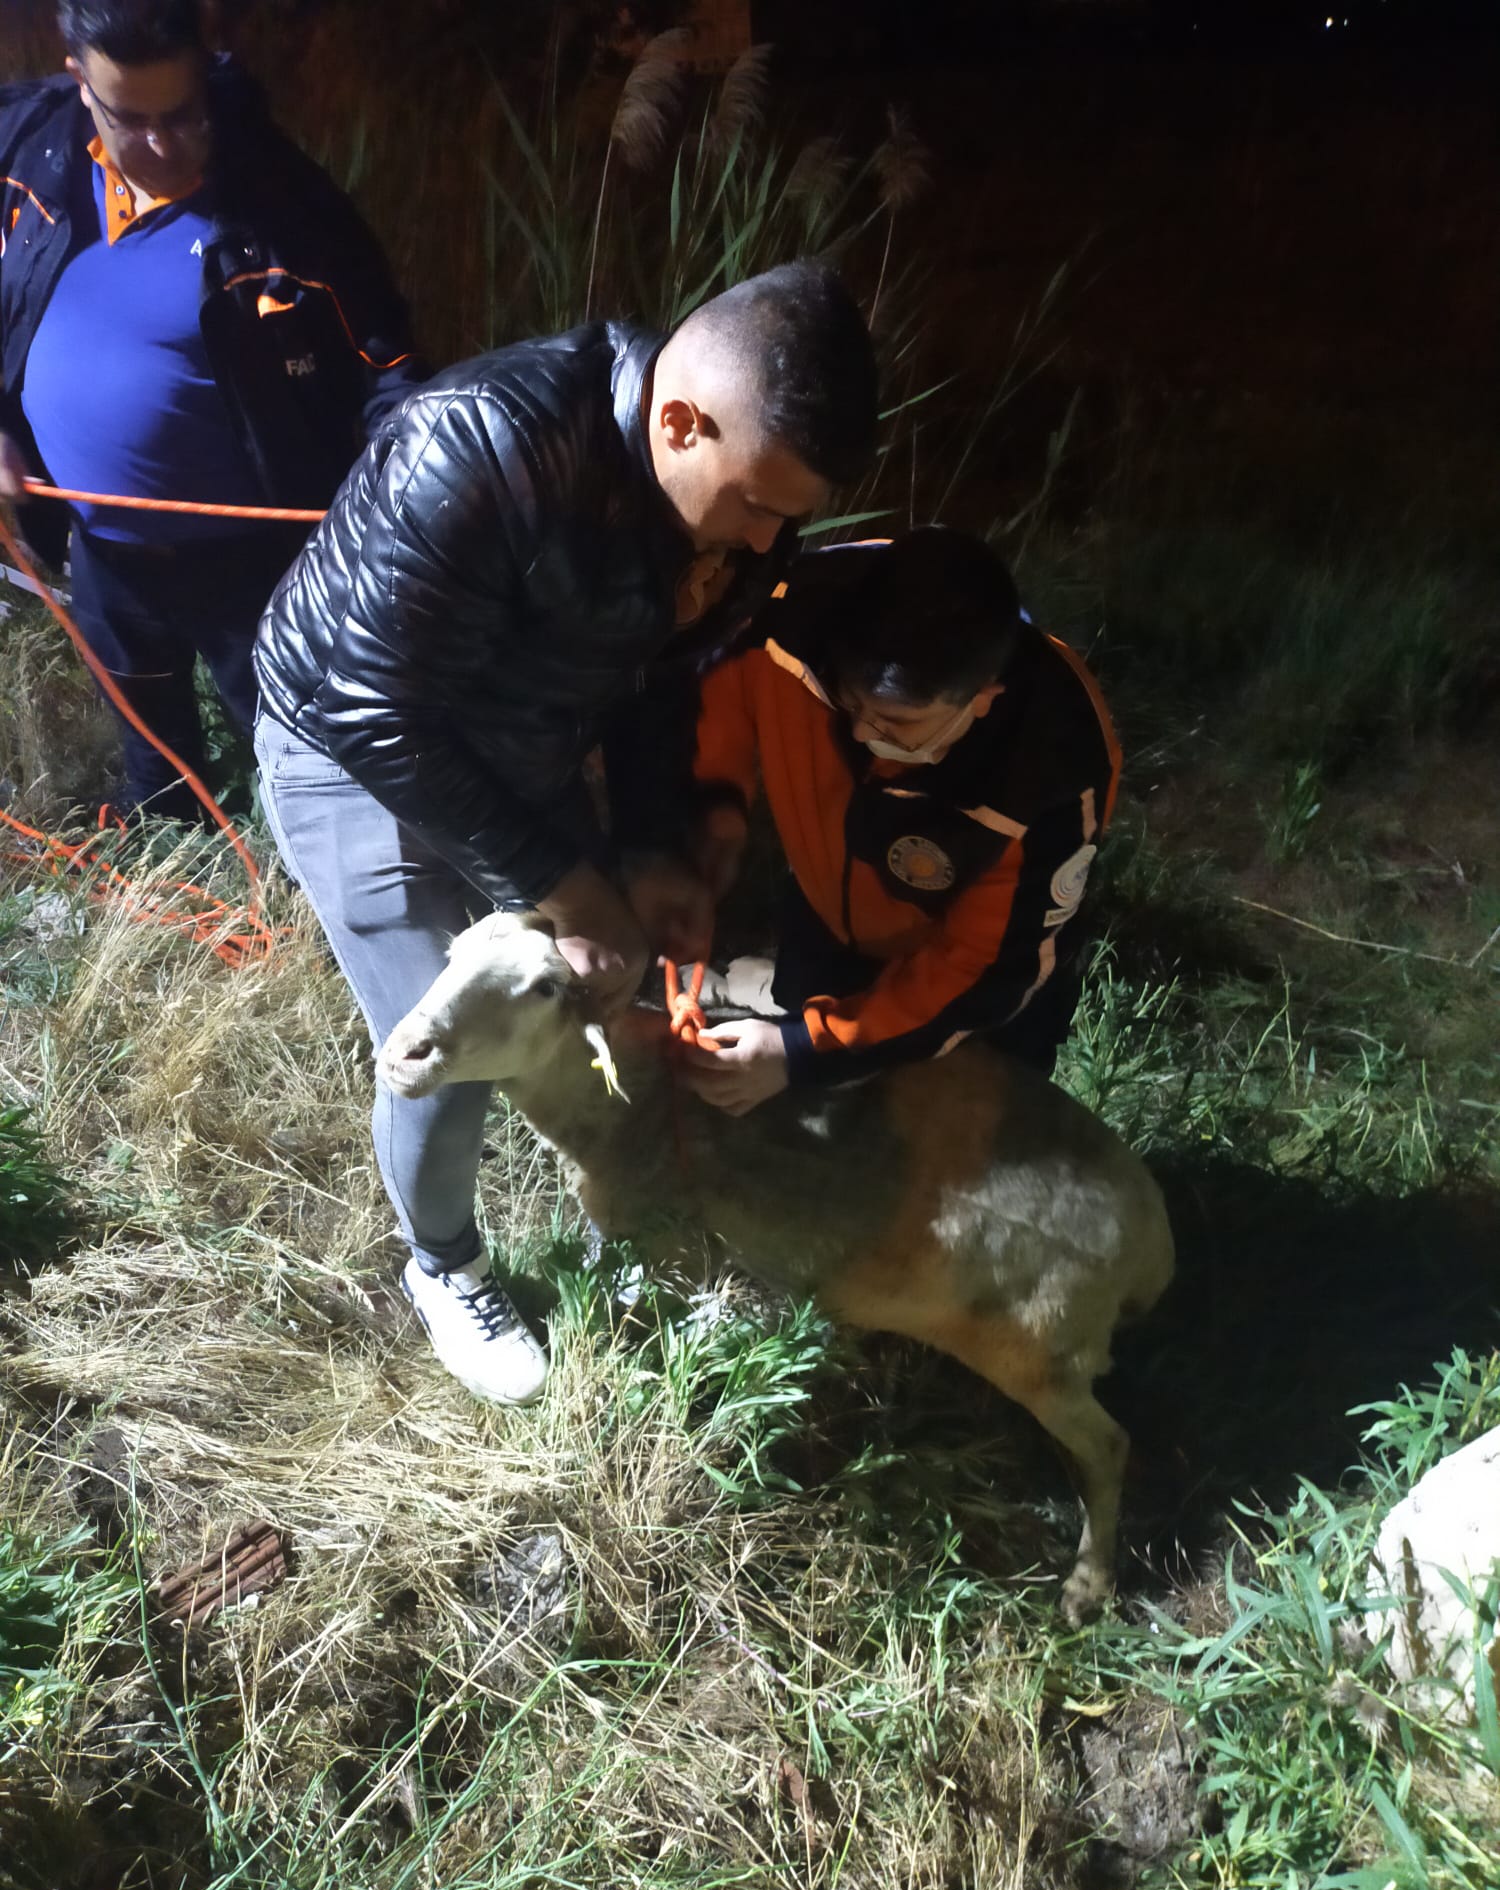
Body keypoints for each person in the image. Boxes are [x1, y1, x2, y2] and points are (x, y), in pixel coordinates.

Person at [252, 259, 880, 1408]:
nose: (767, 541)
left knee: (585, 975)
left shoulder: (740, 508)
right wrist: (565, 885)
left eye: (792, 517)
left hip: (525, 731)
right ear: (680, 422)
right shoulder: (481, 446)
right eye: (757, 505)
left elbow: (661, 672)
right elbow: (374, 708)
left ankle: (621, 1194)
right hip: (352, 746)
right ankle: (443, 1264)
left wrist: (651, 842)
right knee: (441, 1046)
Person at [0, 0, 423, 818]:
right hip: (101, 546)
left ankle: (308, 886)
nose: (160, 147)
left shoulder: (284, 210)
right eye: (131, 120)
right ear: (79, 84)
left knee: (303, 754)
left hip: (254, 558)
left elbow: (388, 364)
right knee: (147, 737)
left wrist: (393, 518)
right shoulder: (28, 150)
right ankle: (168, 848)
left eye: (183, 117)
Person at [681, 526, 1120, 1115]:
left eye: (895, 723)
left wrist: (804, 1052)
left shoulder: (1051, 768)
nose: (864, 735)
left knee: (958, 1141)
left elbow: (980, 970)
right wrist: (716, 810)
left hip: (970, 991)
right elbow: (708, 698)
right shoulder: (788, 613)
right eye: (851, 703)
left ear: (981, 699)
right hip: (827, 919)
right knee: (813, 1130)